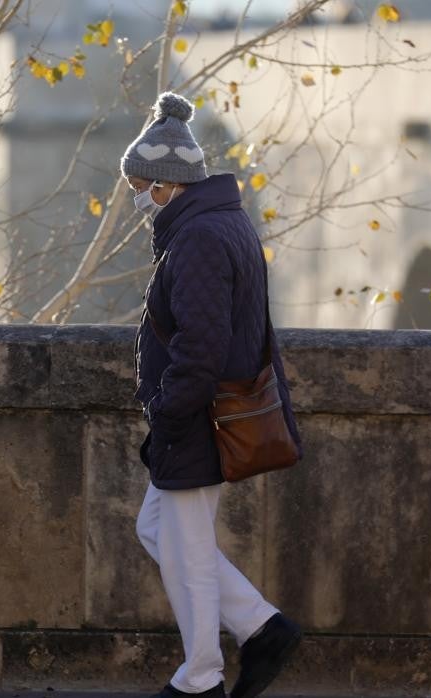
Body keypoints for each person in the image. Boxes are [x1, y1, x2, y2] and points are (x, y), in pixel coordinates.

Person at [122, 92, 305, 698]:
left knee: (187, 549)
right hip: (208, 411)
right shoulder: (220, 222)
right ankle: (261, 627)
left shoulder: (198, 239)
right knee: (161, 530)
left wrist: (169, 417)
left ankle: (200, 678)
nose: (138, 196)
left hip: (200, 415)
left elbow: (200, 347)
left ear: (169, 182)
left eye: (143, 184)